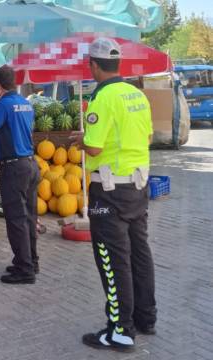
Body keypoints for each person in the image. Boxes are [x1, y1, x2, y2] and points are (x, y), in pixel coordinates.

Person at [70, 37, 156, 352]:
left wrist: (81, 141)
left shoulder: (102, 97)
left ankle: (120, 330)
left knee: (112, 258)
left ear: (93, 65)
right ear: (117, 64)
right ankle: (146, 318)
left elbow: (94, 146)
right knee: (139, 252)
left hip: (108, 192)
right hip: (137, 186)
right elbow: (145, 137)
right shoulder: (137, 95)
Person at [0, 65, 39, 285]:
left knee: (16, 219)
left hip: (14, 168)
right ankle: (31, 260)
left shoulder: (2, 104)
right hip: (31, 165)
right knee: (29, 217)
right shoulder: (26, 103)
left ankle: (25, 270)